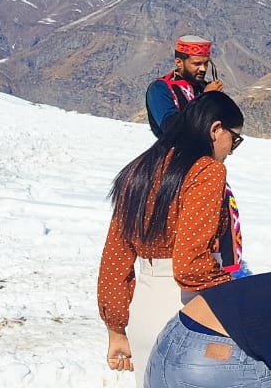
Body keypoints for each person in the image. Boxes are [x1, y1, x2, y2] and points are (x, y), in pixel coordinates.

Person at [98, 92, 247, 388]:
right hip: (189, 309)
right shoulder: (205, 171)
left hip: (145, 307)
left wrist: (116, 328)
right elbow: (190, 266)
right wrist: (239, 297)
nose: (232, 149)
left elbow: (116, 258)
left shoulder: (139, 169)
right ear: (216, 129)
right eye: (235, 139)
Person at [146, 35, 223, 138]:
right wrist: (205, 98)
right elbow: (171, 128)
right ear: (179, 63)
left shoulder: (203, 86)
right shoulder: (160, 88)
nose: (203, 69)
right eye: (197, 64)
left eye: (206, 64)